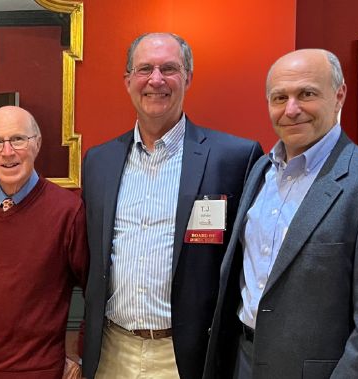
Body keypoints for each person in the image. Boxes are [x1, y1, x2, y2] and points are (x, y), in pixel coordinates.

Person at [204, 49, 358, 379]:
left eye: (306, 94)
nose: (291, 110)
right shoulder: (261, 171)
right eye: (279, 97)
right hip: (242, 360)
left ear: (339, 96)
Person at [80, 32, 263, 379]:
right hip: (111, 352)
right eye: (144, 69)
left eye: (169, 69)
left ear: (188, 77)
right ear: (128, 80)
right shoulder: (98, 162)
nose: (156, 80)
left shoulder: (234, 158)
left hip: (185, 358)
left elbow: (247, 262)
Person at [0, 106, 87, 379]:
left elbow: (95, 291)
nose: (7, 152)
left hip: (38, 371)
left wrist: (78, 351)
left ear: (37, 143)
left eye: (18, 139)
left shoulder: (68, 211)